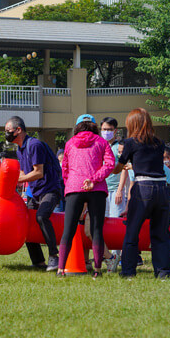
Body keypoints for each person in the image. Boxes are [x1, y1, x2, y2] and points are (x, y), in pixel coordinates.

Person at [112, 108, 170, 279]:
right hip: (162, 188)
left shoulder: (131, 142)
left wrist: (112, 167)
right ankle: (163, 273)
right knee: (160, 234)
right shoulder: (159, 143)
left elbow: (119, 168)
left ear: (133, 123)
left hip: (143, 187)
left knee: (132, 232)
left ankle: (129, 272)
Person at [56, 115, 115, 278]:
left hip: (74, 188)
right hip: (97, 189)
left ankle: (61, 270)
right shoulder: (102, 142)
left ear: (77, 127)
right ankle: (97, 270)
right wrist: (94, 179)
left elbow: (65, 170)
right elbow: (110, 164)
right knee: (96, 230)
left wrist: (71, 185)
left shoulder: (69, 143)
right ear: (94, 126)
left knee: (68, 229)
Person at [5, 116, 62, 271]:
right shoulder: (19, 149)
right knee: (27, 223)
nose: (6, 134)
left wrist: (18, 179)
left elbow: (38, 172)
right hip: (35, 192)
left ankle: (54, 257)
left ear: (18, 130)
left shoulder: (34, 145)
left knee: (42, 216)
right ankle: (38, 261)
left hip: (50, 189)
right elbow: (24, 172)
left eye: (8, 131)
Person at [100, 117, 129, 262]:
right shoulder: (99, 145)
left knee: (116, 221)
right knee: (103, 222)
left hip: (116, 191)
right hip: (102, 190)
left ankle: (117, 255)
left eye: (109, 130)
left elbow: (124, 169)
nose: (106, 132)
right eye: (104, 129)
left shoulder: (120, 147)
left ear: (115, 131)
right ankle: (106, 255)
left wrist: (119, 190)